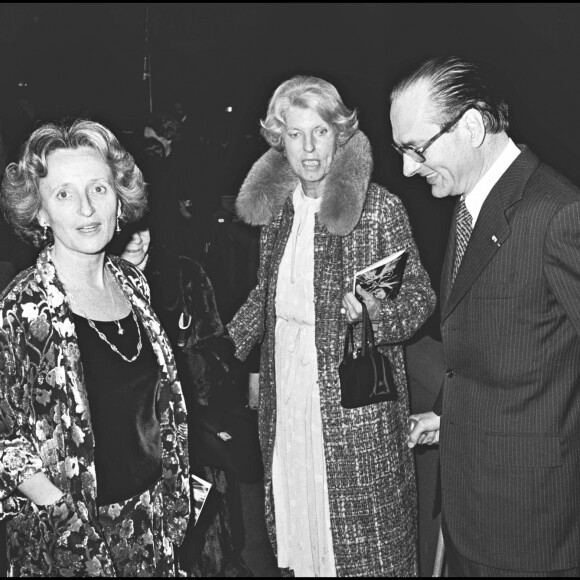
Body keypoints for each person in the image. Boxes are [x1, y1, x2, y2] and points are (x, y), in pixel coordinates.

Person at [228, 75, 436, 577]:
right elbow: (266, 296)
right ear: (280, 140)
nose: (308, 148)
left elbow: (419, 297)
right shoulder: (277, 213)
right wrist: (220, 349)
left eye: (319, 132)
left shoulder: (379, 208)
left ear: (339, 134)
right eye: (295, 134)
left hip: (353, 405)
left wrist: (372, 314)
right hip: (290, 395)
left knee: (364, 546)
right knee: (303, 531)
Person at [392, 56, 580, 576]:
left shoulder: (557, 214)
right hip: (472, 513)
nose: (408, 168)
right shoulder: (470, 203)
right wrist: (446, 414)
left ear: (471, 126)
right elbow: (496, 341)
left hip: (530, 527)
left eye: (416, 148)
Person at [0, 119, 190, 576]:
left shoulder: (132, 283)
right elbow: (4, 440)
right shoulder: (23, 309)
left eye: (99, 189)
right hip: (71, 536)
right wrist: (63, 514)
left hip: (150, 521)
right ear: (40, 212)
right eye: (63, 194)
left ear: (119, 200)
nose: (86, 208)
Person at [116, 220, 255, 577]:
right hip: (133, 449)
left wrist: (182, 367)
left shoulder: (184, 274)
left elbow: (219, 347)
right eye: (126, 231)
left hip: (193, 435)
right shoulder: (98, 283)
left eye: (143, 228)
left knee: (208, 544)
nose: (136, 240)